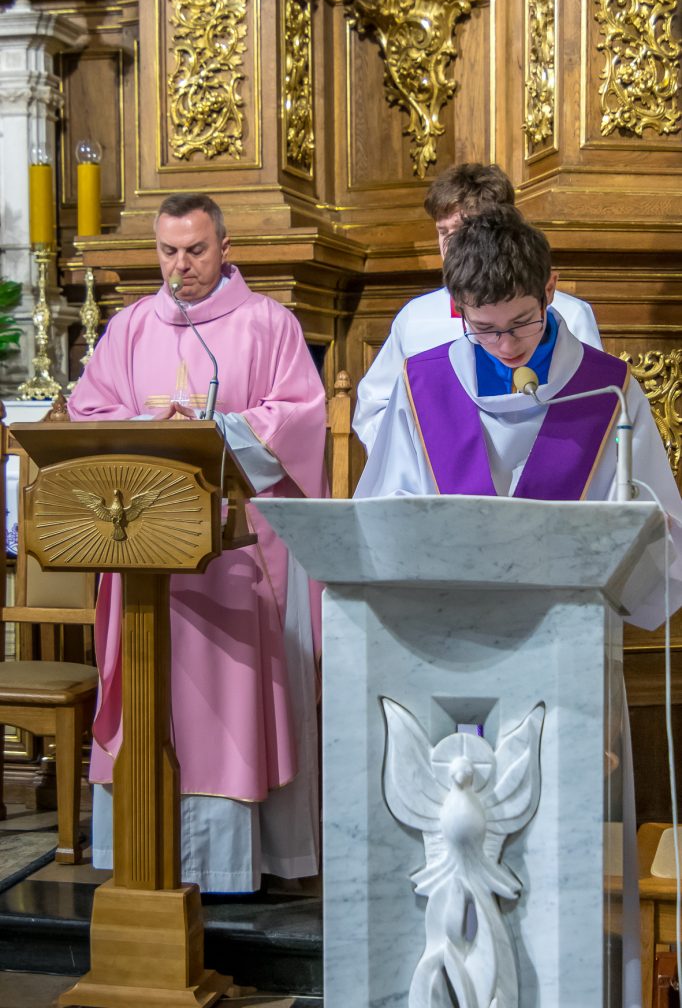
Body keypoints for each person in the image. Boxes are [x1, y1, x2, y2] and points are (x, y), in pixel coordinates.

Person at [355, 204, 682, 1008]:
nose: (506, 346)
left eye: (523, 325)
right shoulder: (423, 385)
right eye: (486, 329)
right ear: (456, 310)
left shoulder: (609, 391)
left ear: (552, 290)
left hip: (570, 645)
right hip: (446, 652)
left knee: (561, 844)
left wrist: (623, 529)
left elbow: (659, 525)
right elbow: (383, 515)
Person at [68, 193, 327, 892]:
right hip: (146, 543)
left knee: (233, 700)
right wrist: (146, 428)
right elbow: (87, 411)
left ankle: (240, 862)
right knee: (156, 694)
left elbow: (299, 417)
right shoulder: (129, 327)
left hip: (236, 554)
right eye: (168, 251)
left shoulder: (267, 324)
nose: (180, 266)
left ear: (225, 247)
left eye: (195, 250)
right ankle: (145, 850)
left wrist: (218, 430)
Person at [353, 163, 602, 453]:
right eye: (443, 232)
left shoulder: (569, 315)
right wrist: (419, 455)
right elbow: (375, 407)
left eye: (462, 231)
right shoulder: (415, 318)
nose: (450, 246)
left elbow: (594, 405)